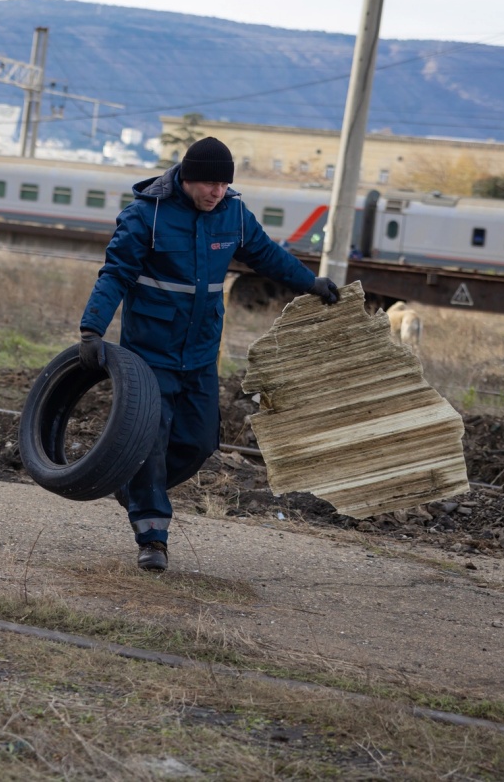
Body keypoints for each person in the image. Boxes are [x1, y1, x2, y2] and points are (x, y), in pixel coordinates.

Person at [78, 137, 339, 572]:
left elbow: (267, 255)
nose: (216, 192)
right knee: (149, 441)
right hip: (149, 355)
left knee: (199, 442)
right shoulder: (147, 216)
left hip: (200, 356)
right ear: (186, 177)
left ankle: (133, 486)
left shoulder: (233, 215)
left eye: (223, 184)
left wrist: (310, 282)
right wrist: (92, 329)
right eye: (208, 183)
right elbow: (115, 274)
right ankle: (152, 536)